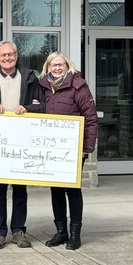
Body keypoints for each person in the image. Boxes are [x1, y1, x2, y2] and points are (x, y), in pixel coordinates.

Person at [0, 40, 43, 249]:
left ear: (17, 55)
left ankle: (19, 231)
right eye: (3, 55)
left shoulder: (30, 77)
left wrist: (29, 108)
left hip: (22, 139)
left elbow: (43, 105)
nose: (7, 58)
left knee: (20, 188)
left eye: (10, 54)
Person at [38, 51, 98, 250]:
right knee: (55, 190)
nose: (57, 68)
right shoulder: (43, 87)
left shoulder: (78, 86)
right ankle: (61, 231)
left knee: (72, 189)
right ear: (48, 67)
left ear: (67, 66)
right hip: (50, 149)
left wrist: (86, 148)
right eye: (53, 65)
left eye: (60, 65)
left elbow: (90, 118)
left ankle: (75, 234)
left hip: (73, 149)